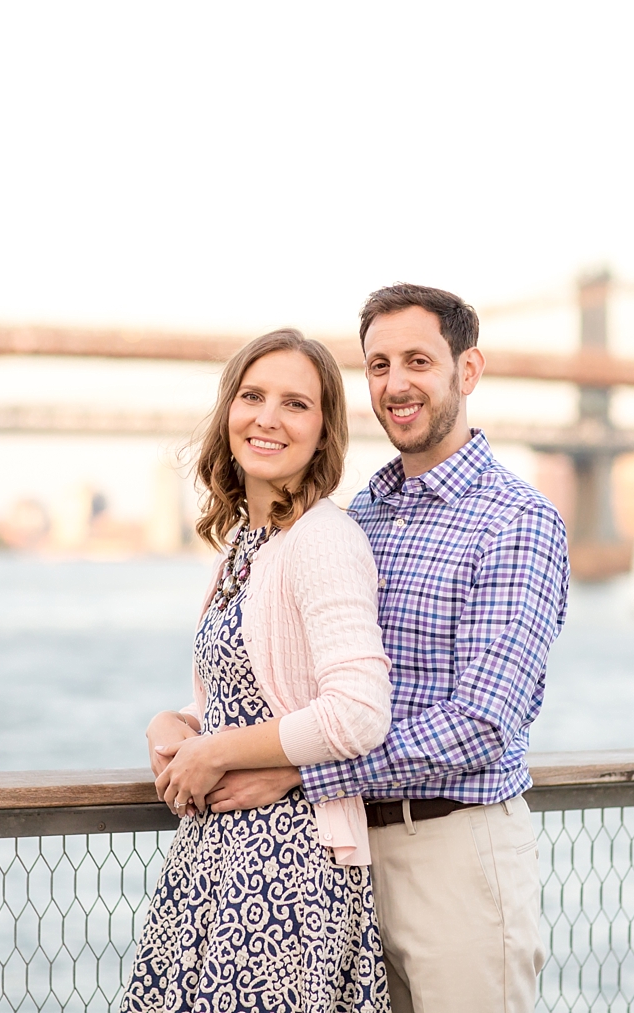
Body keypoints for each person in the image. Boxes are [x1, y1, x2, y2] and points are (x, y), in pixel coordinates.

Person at [204, 285, 572, 1013]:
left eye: (417, 360)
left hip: (455, 854)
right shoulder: (363, 511)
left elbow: (482, 723)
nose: (395, 383)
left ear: (467, 371)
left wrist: (297, 772)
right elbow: (301, 672)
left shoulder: (517, 522)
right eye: (378, 365)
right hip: (347, 856)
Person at [124, 329, 393, 1013]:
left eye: (295, 403)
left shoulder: (322, 540)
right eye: (252, 395)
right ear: (229, 410)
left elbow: (358, 712)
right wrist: (181, 723)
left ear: (324, 430)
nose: (268, 417)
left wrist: (214, 749)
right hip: (218, 856)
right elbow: (258, 698)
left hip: (285, 871)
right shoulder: (251, 542)